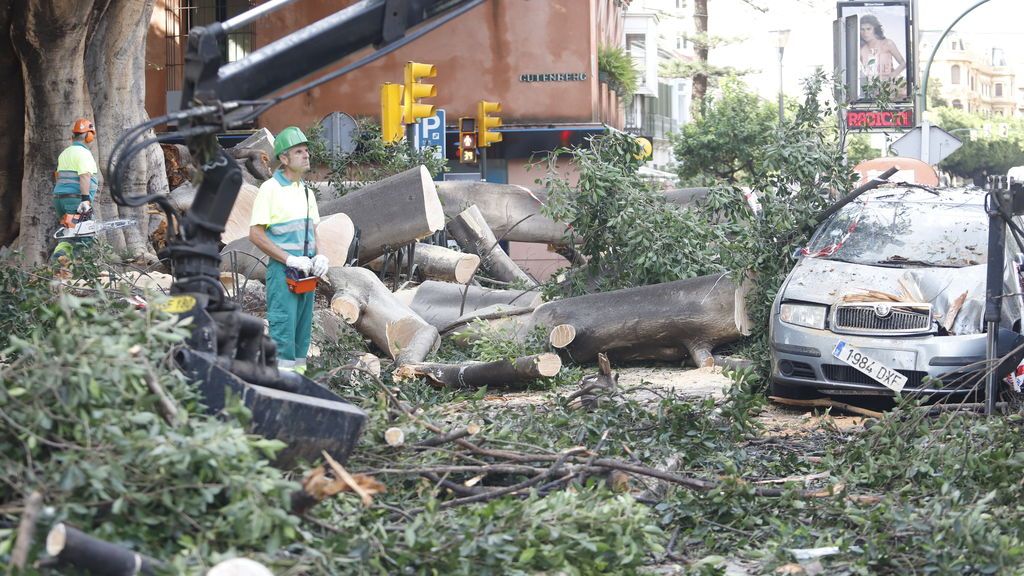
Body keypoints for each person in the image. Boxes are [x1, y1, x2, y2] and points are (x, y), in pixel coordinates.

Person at [249, 126, 329, 374]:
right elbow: (255, 234)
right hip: (283, 274)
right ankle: (281, 388)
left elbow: (314, 230)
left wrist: (321, 255)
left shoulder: (305, 191)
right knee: (283, 335)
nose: (306, 155)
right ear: (284, 159)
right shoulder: (270, 190)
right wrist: (289, 259)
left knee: (301, 339)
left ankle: (299, 386)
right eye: (298, 151)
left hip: (306, 274)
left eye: (306, 150)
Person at [52, 118, 99, 258]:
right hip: (76, 200)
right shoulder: (84, 153)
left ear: (73, 136)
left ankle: (60, 268)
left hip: (60, 199)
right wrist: (85, 200)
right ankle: (79, 271)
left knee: (69, 234)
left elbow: (58, 176)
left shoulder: (64, 153)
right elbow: (84, 176)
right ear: (89, 136)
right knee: (84, 236)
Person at [859, 14, 907, 98]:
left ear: (875, 29)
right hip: (871, 92)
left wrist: (892, 76)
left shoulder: (887, 43)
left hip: (889, 90)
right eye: (862, 29)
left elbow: (903, 63)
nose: (865, 33)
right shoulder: (862, 49)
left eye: (868, 29)